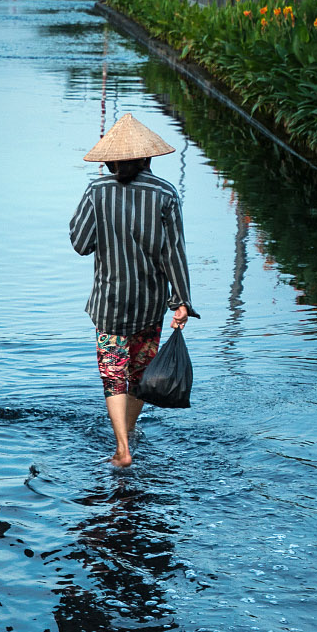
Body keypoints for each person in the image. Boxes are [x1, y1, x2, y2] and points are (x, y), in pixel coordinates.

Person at [68, 113, 197, 468]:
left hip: (108, 304)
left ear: (110, 162)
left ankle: (121, 447)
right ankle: (130, 431)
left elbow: (81, 244)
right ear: (147, 158)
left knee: (113, 373)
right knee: (139, 372)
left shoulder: (97, 191)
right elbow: (175, 252)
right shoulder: (165, 193)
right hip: (150, 304)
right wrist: (182, 301)